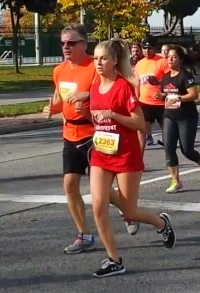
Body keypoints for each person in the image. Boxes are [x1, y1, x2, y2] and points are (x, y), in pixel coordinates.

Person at [46, 23, 139, 255]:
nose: (66, 47)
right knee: (70, 184)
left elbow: (108, 87)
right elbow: (60, 99)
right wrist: (51, 108)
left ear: (83, 44)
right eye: (63, 43)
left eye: (71, 42)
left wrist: (85, 97)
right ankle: (84, 235)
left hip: (93, 133)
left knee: (103, 192)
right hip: (70, 133)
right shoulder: (59, 70)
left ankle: (128, 212)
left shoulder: (94, 66)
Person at [89, 38, 176, 278]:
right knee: (98, 207)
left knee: (130, 212)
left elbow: (139, 123)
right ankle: (114, 260)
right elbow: (97, 118)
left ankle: (161, 224)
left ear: (115, 60)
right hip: (101, 154)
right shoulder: (95, 85)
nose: (98, 63)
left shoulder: (123, 86)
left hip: (126, 156)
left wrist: (113, 115)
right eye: (95, 58)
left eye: (103, 58)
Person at [155, 45, 200, 193]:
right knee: (168, 148)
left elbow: (194, 95)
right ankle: (176, 181)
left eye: (174, 57)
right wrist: (161, 96)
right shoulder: (166, 77)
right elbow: (165, 94)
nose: (170, 59)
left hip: (186, 117)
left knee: (187, 149)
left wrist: (178, 97)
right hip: (169, 116)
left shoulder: (185, 76)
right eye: (168, 57)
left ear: (180, 59)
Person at [134, 40, 169, 149]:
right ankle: (139, 160)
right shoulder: (140, 64)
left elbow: (171, 80)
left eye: (150, 48)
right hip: (144, 102)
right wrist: (136, 99)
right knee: (141, 131)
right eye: (144, 48)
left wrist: (159, 83)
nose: (147, 51)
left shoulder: (162, 62)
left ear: (154, 49)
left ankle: (170, 154)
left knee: (167, 129)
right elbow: (137, 83)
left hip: (160, 102)